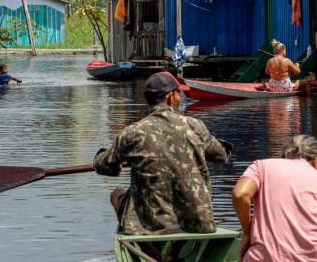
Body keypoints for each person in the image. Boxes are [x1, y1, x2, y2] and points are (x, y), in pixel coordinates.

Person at [95, 71, 231, 241]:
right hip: (200, 222)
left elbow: (102, 165)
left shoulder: (134, 132)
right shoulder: (194, 126)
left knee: (116, 194)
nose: (180, 97)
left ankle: (152, 253)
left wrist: (115, 164)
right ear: (169, 97)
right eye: (178, 93)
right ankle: (173, 252)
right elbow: (221, 155)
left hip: (153, 226)